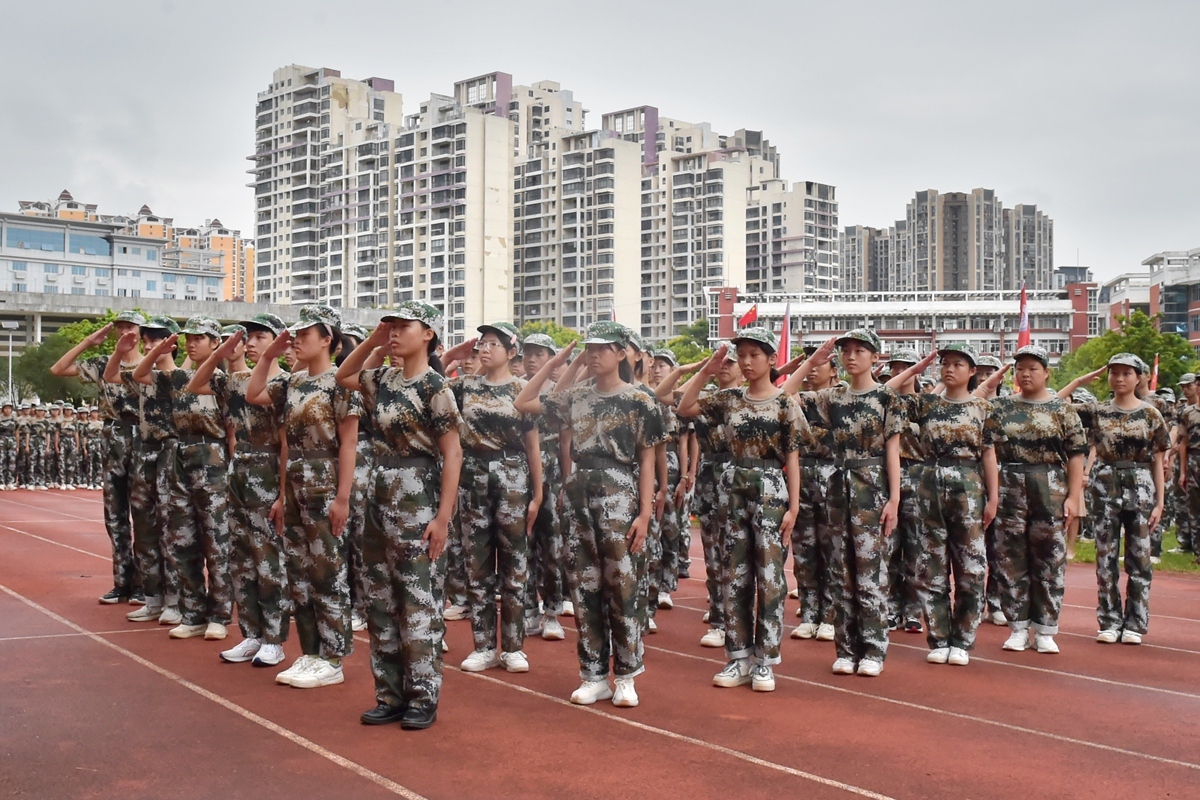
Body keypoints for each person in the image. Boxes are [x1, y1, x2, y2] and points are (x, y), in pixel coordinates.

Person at [516, 321, 664, 708]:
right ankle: (593, 674)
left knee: (623, 585)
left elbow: (647, 460)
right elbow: (525, 401)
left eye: (603, 348)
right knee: (585, 587)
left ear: (622, 353)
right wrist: (562, 360)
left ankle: (627, 675)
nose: (594, 354)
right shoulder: (576, 395)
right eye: (590, 348)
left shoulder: (640, 400)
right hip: (579, 490)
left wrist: (645, 514)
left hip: (620, 490)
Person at [336, 301, 463, 730]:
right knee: (381, 601)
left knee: (418, 602)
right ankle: (389, 694)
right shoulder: (382, 379)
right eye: (389, 327)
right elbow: (344, 376)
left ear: (427, 333)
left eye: (402, 327)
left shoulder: (435, 387)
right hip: (379, 497)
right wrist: (373, 340)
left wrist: (443, 517)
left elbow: (452, 453)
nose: (393, 333)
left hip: (418, 496)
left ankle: (423, 695)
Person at [678, 329, 807, 692]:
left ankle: (765, 661)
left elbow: (793, 458)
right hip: (731, 488)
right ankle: (738, 658)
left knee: (769, 577)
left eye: (754, 355)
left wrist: (793, 508)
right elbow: (685, 408)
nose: (747, 362)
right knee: (734, 574)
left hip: (770, 486)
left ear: (770, 360)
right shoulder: (729, 398)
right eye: (742, 355)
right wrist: (706, 371)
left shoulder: (785, 403)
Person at [249, 304, 360, 689]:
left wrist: (343, 497)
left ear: (328, 338)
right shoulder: (293, 383)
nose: (297, 339)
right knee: (298, 572)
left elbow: (348, 443)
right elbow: (253, 392)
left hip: (326, 479)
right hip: (296, 481)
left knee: (327, 570)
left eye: (305, 333)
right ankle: (310, 652)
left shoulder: (341, 381)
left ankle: (333, 656)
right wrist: (269, 353)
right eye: (295, 333)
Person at [791, 329, 902, 677]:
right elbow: (785, 393)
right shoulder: (832, 398)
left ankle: (873, 650)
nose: (851, 357)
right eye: (845, 351)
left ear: (875, 357)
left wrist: (894, 499)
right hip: (838, 489)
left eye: (859, 350)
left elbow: (893, 452)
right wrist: (813, 361)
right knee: (841, 571)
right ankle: (846, 648)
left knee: (871, 572)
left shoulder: (887, 398)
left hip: (873, 488)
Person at [187, 312, 291, 668]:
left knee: (269, 561)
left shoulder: (283, 385)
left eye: (261, 336)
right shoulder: (237, 381)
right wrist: (220, 353)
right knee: (241, 560)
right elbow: (196, 385)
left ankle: (274, 639)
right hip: (239, 472)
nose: (250, 341)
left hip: (268, 470)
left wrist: (282, 493)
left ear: (277, 343)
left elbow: (286, 444)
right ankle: (252, 633)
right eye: (249, 336)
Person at [889, 345, 997, 666]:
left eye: (958, 364)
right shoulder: (926, 404)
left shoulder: (982, 408)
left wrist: (993, 498)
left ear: (972, 371)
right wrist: (914, 370)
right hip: (929, 483)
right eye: (945, 364)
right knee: (930, 566)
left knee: (971, 567)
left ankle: (962, 639)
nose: (949, 369)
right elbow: (883, 395)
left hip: (969, 484)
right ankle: (938, 638)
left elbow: (989, 454)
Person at [129, 316, 231, 641]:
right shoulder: (176, 378)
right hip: (180, 459)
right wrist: (160, 348)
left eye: (201, 337)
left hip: (213, 459)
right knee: (182, 539)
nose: (193, 343)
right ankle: (193, 612)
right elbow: (139, 374)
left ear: (216, 343)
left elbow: (231, 430)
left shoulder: (222, 381)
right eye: (189, 338)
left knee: (216, 540)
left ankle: (219, 614)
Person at [450, 321, 542, 674]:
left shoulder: (522, 389)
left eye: (493, 344)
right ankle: (484, 645)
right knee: (478, 566)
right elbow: (430, 379)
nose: (484, 350)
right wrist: (457, 354)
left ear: (511, 351)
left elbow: (532, 446)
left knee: (515, 564)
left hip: (513, 477)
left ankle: (514, 647)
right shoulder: (464, 387)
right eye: (482, 344)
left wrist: (538, 493)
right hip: (473, 477)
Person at [984, 345, 1086, 654]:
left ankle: (1045, 628)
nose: (1025, 374)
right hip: (1010, 485)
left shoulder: (1062, 409)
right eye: (1020, 368)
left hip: (1049, 486)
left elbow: (1076, 455)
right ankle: (1017, 626)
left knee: (1049, 558)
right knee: (1010, 557)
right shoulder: (999, 407)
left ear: (1046, 372)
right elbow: (983, 442)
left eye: (1033, 368)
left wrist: (1072, 497)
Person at [657, 345, 742, 648]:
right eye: (721, 361)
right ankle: (719, 618)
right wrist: (687, 371)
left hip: (739, 479)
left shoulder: (747, 400)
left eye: (731, 362)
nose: (725, 367)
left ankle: (738, 619)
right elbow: (662, 395)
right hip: (709, 479)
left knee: (738, 556)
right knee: (713, 554)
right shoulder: (703, 400)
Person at [1083, 354, 1168, 645]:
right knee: (1105, 557)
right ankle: (1108, 620)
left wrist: (1160, 501)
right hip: (1105, 487)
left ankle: (1135, 622)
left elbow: (1158, 459)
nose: (1119, 379)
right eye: (1114, 373)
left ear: (1139, 377)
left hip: (1141, 486)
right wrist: (1083, 380)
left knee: (1140, 559)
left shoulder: (1150, 414)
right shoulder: (1097, 411)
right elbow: (1057, 403)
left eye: (1126, 373)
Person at [107, 316, 182, 624]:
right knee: (145, 529)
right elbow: (111, 376)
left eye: (156, 340)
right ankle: (153, 597)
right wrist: (118, 350)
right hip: (143, 454)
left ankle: (176, 601)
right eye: (146, 339)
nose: (148, 345)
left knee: (170, 529)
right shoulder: (143, 376)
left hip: (170, 455)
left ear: (171, 344)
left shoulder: (182, 377)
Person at [520, 333, 569, 641]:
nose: (532, 359)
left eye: (539, 354)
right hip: (519, 475)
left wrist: (566, 483)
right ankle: (528, 609)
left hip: (550, 474)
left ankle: (552, 611)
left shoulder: (558, 394)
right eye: (528, 354)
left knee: (551, 546)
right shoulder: (516, 389)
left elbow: (566, 442)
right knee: (521, 547)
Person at [790, 347, 841, 642]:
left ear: (834, 370)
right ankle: (810, 613)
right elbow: (783, 389)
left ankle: (830, 615)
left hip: (832, 474)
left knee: (831, 550)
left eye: (821, 363)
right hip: (804, 475)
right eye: (810, 363)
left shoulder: (840, 396)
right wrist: (799, 366)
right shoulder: (798, 399)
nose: (813, 368)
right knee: (804, 550)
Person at [884, 348, 926, 634]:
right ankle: (888, 608)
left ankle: (912, 610)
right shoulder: (882, 402)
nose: (901, 372)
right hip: (886, 479)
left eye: (906, 367)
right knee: (887, 548)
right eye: (896, 367)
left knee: (915, 549)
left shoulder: (927, 404)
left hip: (919, 479)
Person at [339, 322, 374, 635]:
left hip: (364, 465)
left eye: (350, 343)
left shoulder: (368, 380)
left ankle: (363, 606)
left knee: (361, 542)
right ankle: (348, 602)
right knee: (342, 542)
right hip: (339, 464)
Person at [1175, 373, 1199, 557]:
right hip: (1193, 461)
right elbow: (1183, 443)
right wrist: (1182, 472)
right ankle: (1197, 552)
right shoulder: (1187, 412)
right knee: (1193, 507)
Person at [0, 401, 16, 490]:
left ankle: (10, 482)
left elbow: (16, 432)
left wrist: (16, 445)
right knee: (1, 461)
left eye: (9, 408)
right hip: (1, 441)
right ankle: (1, 481)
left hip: (12, 440)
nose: (7, 410)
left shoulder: (14, 419)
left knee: (12, 461)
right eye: (5, 408)